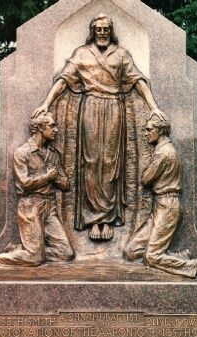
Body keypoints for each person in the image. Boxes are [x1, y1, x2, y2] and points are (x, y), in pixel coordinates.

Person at [33, 13, 165, 241]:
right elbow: (63, 80)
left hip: (114, 107)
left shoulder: (121, 54)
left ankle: (109, 218)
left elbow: (138, 80)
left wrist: (153, 107)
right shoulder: (82, 53)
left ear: (110, 31)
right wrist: (46, 104)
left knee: (111, 162)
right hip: (90, 106)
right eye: (98, 29)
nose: (102, 33)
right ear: (92, 31)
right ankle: (93, 219)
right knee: (91, 160)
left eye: (106, 29)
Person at [0, 112, 74, 278]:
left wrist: (56, 177)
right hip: (30, 207)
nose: (56, 130)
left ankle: (19, 251)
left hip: (50, 207)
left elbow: (66, 185)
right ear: (39, 128)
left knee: (66, 253)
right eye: (52, 126)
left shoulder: (53, 154)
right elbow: (25, 183)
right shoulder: (22, 153)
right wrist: (48, 177)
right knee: (35, 258)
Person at [124, 117, 197, 282]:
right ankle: (181, 257)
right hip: (162, 205)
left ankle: (194, 266)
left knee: (152, 257)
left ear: (159, 131)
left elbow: (145, 179)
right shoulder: (163, 150)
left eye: (149, 129)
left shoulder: (163, 153)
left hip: (168, 207)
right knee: (131, 251)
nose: (146, 133)